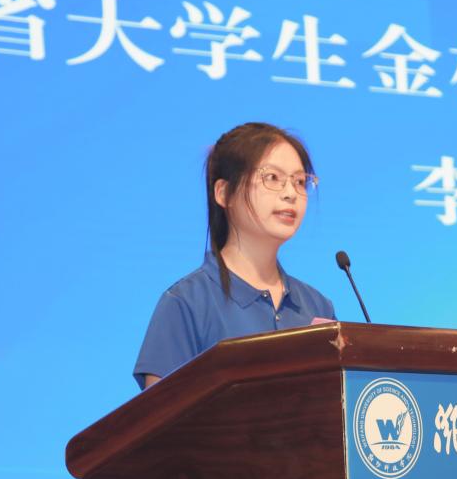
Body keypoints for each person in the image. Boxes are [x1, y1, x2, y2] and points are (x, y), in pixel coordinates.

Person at [133, 122, 336, 389]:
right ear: (223, 193)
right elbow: (163, 412)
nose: (290, 194)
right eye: (272, 178)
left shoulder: (317, 306)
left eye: (299, 182)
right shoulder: (186, 303)